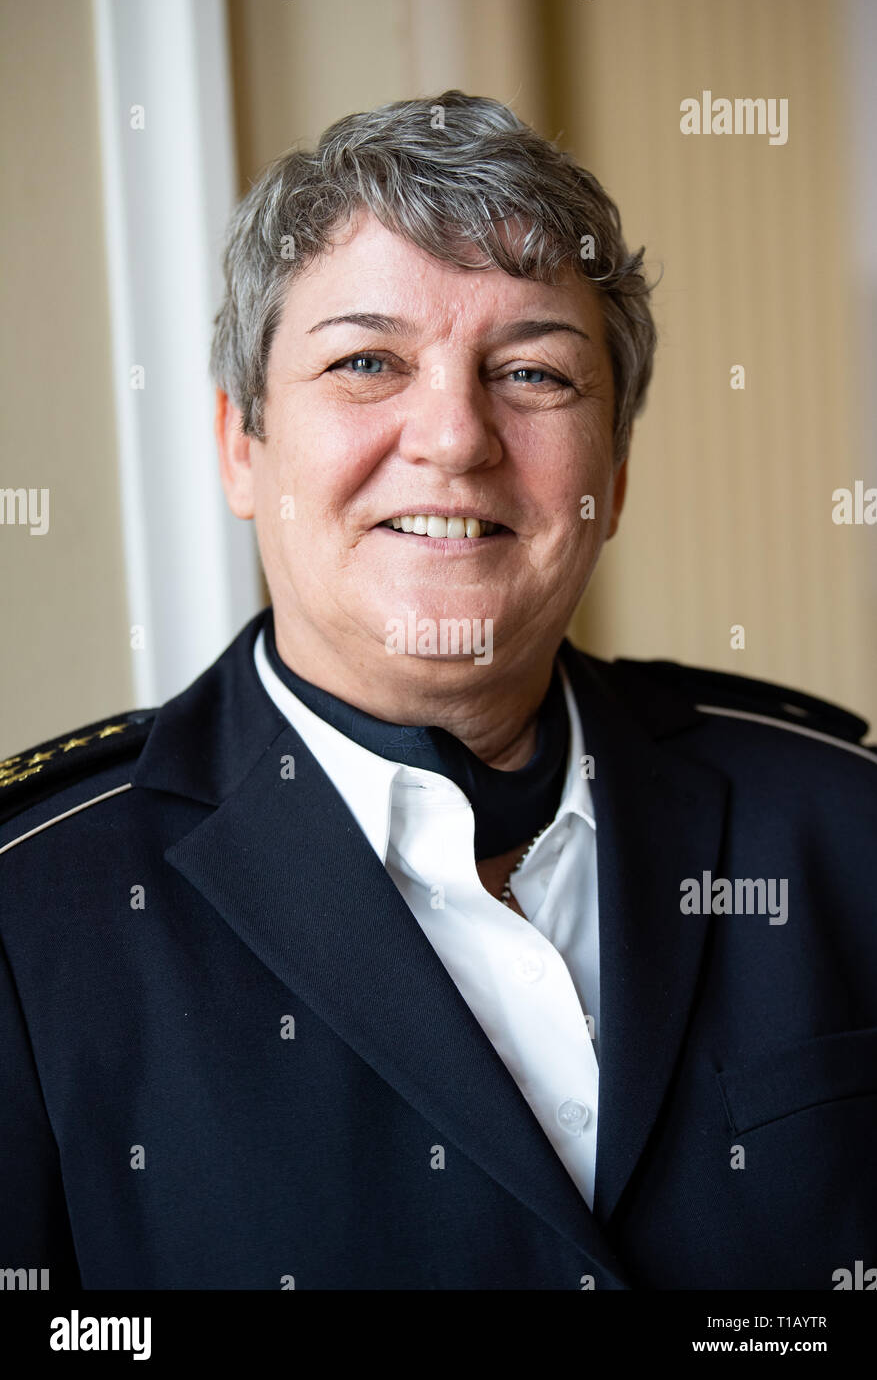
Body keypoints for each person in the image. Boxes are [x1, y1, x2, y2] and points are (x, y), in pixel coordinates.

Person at [1, 89, 875, 1292]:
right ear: (239, 448)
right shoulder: (28, 912)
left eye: (532, 372)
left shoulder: (839, 823)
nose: (455, 437)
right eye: (367, 360)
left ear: (611, 477)